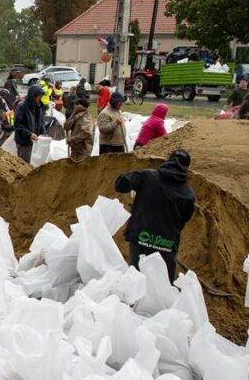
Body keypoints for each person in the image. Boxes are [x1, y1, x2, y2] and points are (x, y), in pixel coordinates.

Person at [114, 149, 196, 281]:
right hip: (166, 244)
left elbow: (120, 184)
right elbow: (183, 221)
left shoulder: (148, 176)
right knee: (162, 286)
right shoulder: (188, 193)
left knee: (136, 283)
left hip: (141, 239)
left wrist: (136, 182)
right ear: (186, 168)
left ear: (168, 161)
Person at [13, 84, 46, 164]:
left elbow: (41, 122)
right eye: (39, 96)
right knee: (24, 164)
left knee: (34, 163)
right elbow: (17, 124)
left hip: (35, 141)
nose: (40, 98)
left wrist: (44, 133)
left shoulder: (39, 107)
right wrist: (29, 134)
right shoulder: (22, 107)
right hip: (24, 141)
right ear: (33, 95)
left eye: (41, 96)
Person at [63, 97, 94, 162]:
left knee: (81, 170)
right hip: (75, 149)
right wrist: (73, 114)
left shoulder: (86, 117)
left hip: (83, 150)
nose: (74, 105)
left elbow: (87, 133)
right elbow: (66, 126)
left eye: (76, 104)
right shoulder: (75, 115)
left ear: (80, 106)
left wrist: (73, 139)